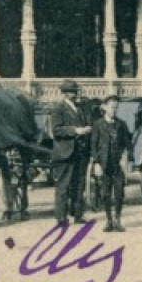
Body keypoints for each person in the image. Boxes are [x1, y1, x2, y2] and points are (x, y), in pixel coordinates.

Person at [48, 79, 92, 225]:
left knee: (79, 184)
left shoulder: (78, 108)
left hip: (79, 152)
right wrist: (76, 130)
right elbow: (56, 130)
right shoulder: (58, 109)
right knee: (63, 185)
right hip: (65, 152)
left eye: (76, 91)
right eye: (73, 92)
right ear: (66, 94)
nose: (76, 94)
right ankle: (61, 218)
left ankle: (78, 214)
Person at [88, 94, 133, 233]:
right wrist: (96, 163)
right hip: (104, 164)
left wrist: (127, 158)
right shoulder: (97, 125)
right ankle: (108, 220)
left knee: (119, 193)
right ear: (105, 107)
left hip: (117, 165)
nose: (114, 110)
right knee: (106, 194)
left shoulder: (121, 124)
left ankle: (118, 220)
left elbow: (128, 144)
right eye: (112, 107)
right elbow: (93, 146)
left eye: (116, 107)